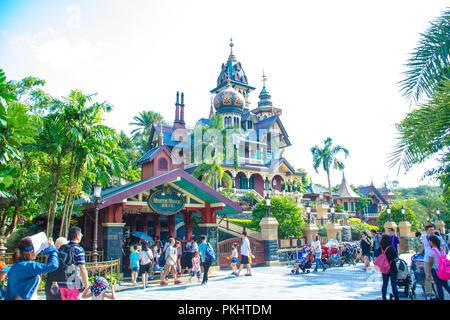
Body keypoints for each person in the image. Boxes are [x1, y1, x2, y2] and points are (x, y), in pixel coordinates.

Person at [56, 227, 90, 300]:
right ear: (77, 235)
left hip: (61, 282)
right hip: (74, 283)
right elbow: (82, 269)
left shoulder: (62, 248)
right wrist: (87, 285)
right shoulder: (79, 250)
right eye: (81, 234)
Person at [419, 224, 446, 298]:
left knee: (437, 278)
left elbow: (443, 248)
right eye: (430, 230)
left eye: (433, 229)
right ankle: (428, 293)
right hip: (427, 260)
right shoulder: (424, 238)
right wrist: (419, 253)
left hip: (437, 261)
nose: (432, 231)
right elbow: (422, 247)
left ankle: (438, 293)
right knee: (428, 276)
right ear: (426, 231)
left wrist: (444, 258)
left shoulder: (438, 238)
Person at [375, 234, 399, 300]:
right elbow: (396, 258)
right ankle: (396, 298)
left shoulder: (381, 249)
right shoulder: (391, 248)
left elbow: (376, 255)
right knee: (393, 284)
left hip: (384, 269)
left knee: (385, 284)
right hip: (392, 268)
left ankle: (384, 297)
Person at [427, 235, 450, 300]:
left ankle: (441, 298)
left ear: (431, 242)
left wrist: (429, 273)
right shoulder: (442, 249)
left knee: (439, 286)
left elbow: (431, 263)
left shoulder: (431, 251)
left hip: (436, 270)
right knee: (445, 285)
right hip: (443, 269)